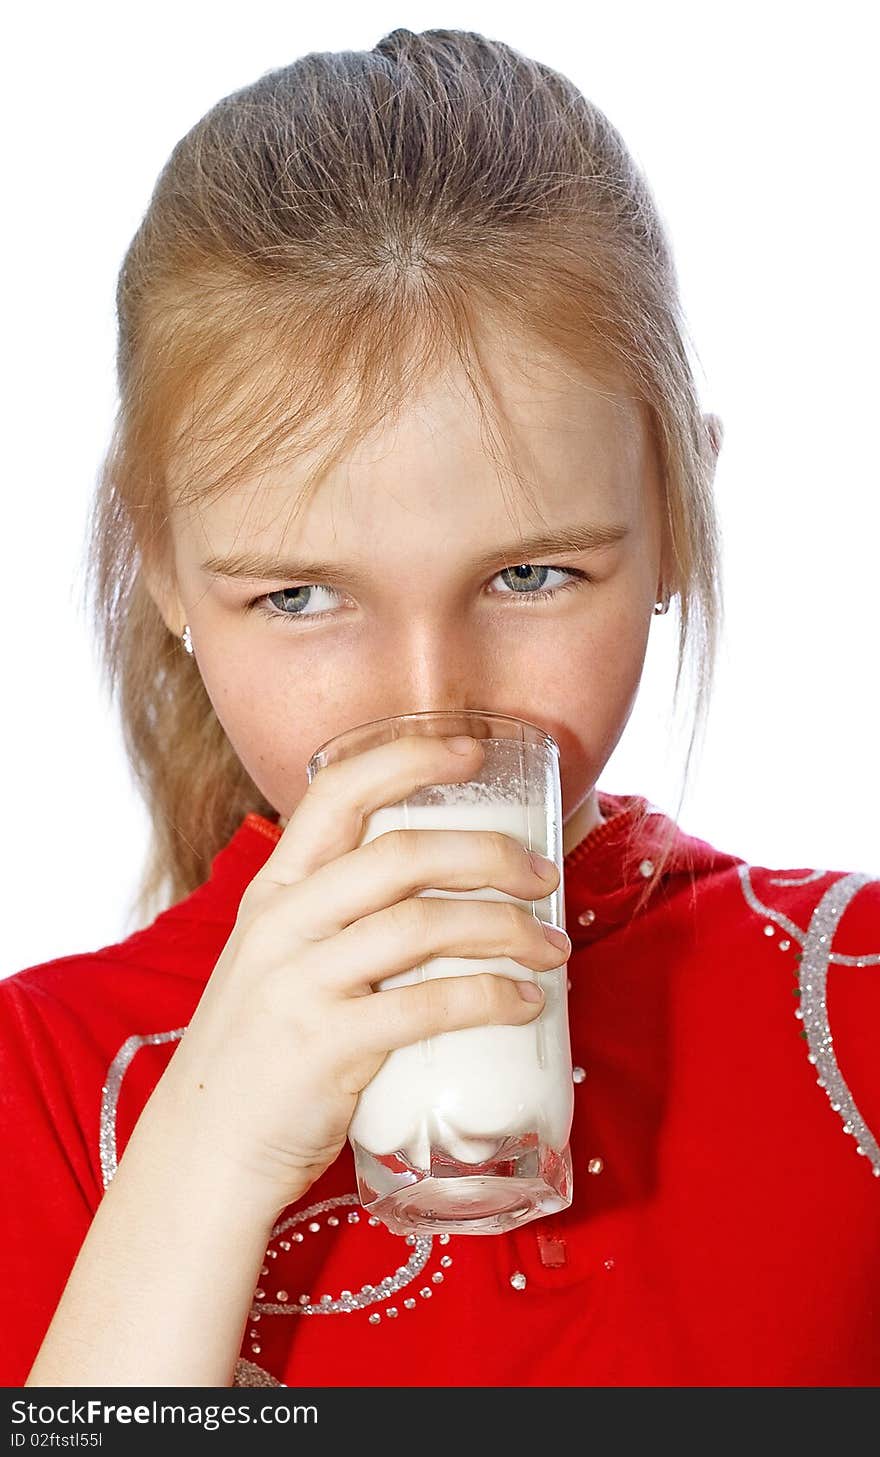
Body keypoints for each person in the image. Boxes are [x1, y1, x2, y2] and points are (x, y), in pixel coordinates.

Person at [2, 25, 878, 1390]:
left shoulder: (856, 1007)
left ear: (675, 522)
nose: (433, 716)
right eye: (299, 597)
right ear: (164, 565)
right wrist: (212, 1155)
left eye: (531, 575)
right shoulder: (41, 1091)